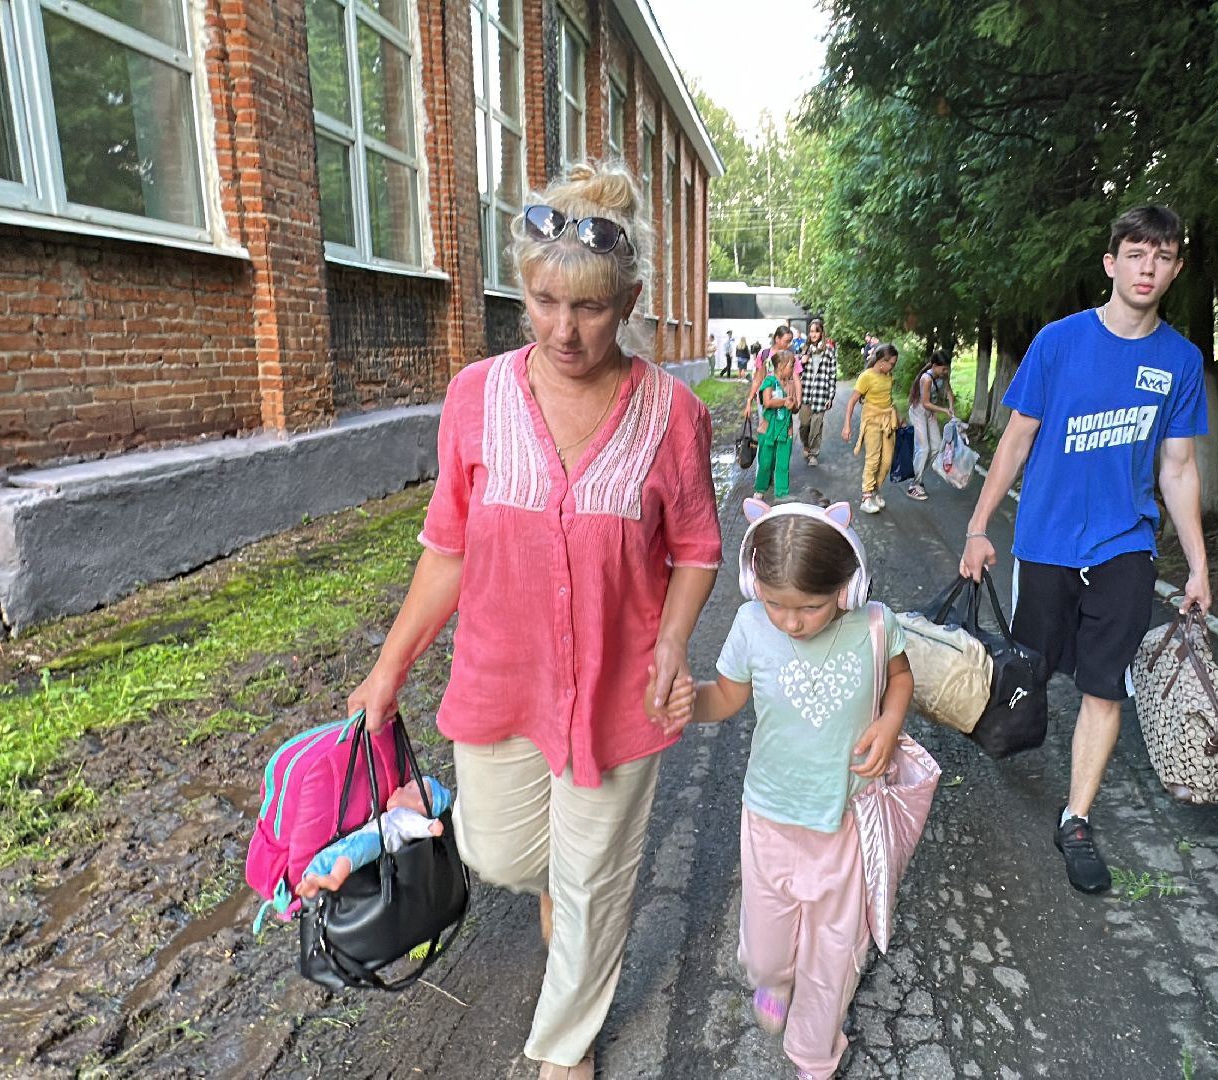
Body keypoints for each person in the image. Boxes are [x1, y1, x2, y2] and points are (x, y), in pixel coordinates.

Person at [348, 162, 723, 1079]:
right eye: (548, 301)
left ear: (628, 299)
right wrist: (389, 668)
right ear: (526, 290)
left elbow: (700, 548)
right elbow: (447, 547)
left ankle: (567, 1046)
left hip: (619, 691)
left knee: (593, 885)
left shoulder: (671, 414)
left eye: (591, 308)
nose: (566, 329)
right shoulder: (475, 397)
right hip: (500, 683)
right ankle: (561, 887)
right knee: (504, 851)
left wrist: (673, 641)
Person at [957, 205, 1210, 895]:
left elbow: (1178, 467)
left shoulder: (1181, 361)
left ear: (1175, 268)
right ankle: (1008, 720)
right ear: (1111, 263)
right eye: (1135, 253)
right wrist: (980, 528)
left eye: (1161, 255)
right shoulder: (1059, 342)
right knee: (1031, 667)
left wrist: (1197, 565)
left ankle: (1076, 818)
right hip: (1044, 539)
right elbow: (1015, 439)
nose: (1147, 267)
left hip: (1126, 541)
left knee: (1103, 686)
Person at [654, 499, 913, 1080]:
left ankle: (814, 1055)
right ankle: (772, 981)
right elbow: (725, 696)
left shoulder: (873, 624)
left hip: (845, 822)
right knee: (768, 950)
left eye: (810, 607)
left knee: (833, 954)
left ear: (847, 587)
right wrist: (685, 703)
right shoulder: (751, 626)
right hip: (769, 819)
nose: (791, 621)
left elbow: (900, 677)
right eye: (775, 604)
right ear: (753, 586)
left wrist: (890, 722)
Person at [840, 342, 899, 514]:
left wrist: (899, 418)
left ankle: (875, 490)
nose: (892, 367)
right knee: (873, 458)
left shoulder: (888, 376)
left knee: (887, 460)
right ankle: (866, 497)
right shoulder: (866, 376)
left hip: (888, 420)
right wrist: (847, 425)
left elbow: (889, 398)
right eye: (891, 363)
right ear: (881, 360)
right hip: (871, 420)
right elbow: (852, 401)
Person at [904, 350, 959, 500]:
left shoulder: (943, 376)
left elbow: (949, 392)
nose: (945, 371)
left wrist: (951, 406)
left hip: (930, 413)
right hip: (919, 412)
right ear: (934, 366)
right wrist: (944, 410)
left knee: (935, 448)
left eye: (947, 368)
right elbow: (925, 403)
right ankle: (913, 485)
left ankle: (918, 476)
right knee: (923, 448)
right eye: (943, 368)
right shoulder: (926, 379)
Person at [794, 318, 839, 466]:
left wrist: (830, 396)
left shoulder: (829, 351)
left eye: (816, 331)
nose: (813, 334)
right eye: (811, 331)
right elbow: (795, 372)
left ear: (821, 333)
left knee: (816, 426)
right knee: (804, 425)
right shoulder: (804, 349)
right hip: (806, 393)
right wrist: (802, 361)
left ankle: (813, 453)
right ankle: (806, 445)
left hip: (821, 394)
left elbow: (832, 375)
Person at [755, 350, 798, 499]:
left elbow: (796, 406)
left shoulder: (791, 385)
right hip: (768, 429)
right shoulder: (769, 382)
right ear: (780, 366)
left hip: (786, 430)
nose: (793, 369)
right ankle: (760, 490)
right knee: (766, 462)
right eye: (791, 366)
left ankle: (781, 493)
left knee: (783, 464)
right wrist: (784, 402)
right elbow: (767, 402)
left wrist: (793, 406)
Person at [746, 325, 796, 432]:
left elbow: (796, 379)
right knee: (766, 428)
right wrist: (749, 400)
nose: (789, 344)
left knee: (782, 428)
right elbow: (757, 379)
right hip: (766, 399)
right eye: (786, 341)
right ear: (777, 339)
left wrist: (797, 401)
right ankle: (765, 448)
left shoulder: (790, 357)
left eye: (790, 341)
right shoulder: (765, 354)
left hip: (783, 398)